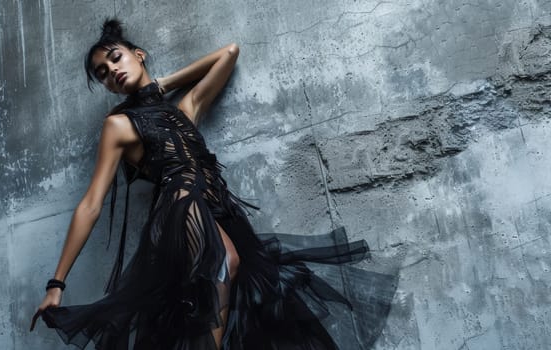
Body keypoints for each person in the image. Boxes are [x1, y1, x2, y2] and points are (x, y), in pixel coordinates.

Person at [30, 18, 398, 350]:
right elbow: (92, 203)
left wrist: (163, 84)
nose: (112, 71)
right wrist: (56, 284)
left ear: (138, 55)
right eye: (103, 73)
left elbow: (229, 53)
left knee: (258, 293)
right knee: (225, 261)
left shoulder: (184, 108)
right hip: (180, 204)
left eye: (116, 58)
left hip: (219, 204)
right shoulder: (118, 126)